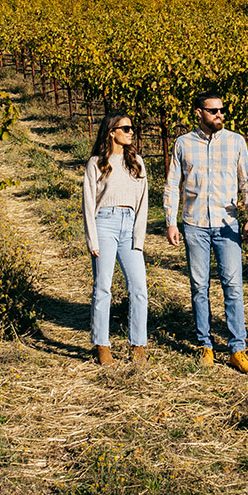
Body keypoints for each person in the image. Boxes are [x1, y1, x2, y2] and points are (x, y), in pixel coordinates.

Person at [163, 90, 248, 374]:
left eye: (221, 110)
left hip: (226, 224)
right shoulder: (183, 144)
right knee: (199, 286)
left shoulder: (236, 142)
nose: (220, 115)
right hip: (194, 223)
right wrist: (170, 221)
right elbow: (172, 184)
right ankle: (205, 344)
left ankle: (237, 349)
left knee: (233, 286)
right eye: (213, 111)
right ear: (199, 113)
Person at [82, 112, 149, 366]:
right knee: (103, 288)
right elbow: (88, 203)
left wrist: (139, 238)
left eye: (132, 128)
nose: (131, 132)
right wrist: (93, 239)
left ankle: (138, 345)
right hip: (105, 224)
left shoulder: (137, 163)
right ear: (112, 132)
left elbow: (143, 203)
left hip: (129, 225)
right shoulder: (97, 162)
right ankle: (102, 345)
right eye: (126, 128)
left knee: (139, 288)